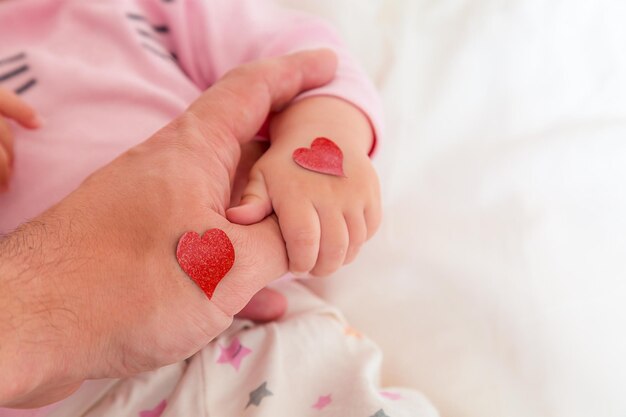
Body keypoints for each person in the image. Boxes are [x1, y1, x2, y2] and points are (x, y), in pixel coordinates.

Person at [0, 1, 436, 416]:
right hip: (64, 390)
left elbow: (302, 62)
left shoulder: (155, 8)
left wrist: (319, 141)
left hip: (253, 333)